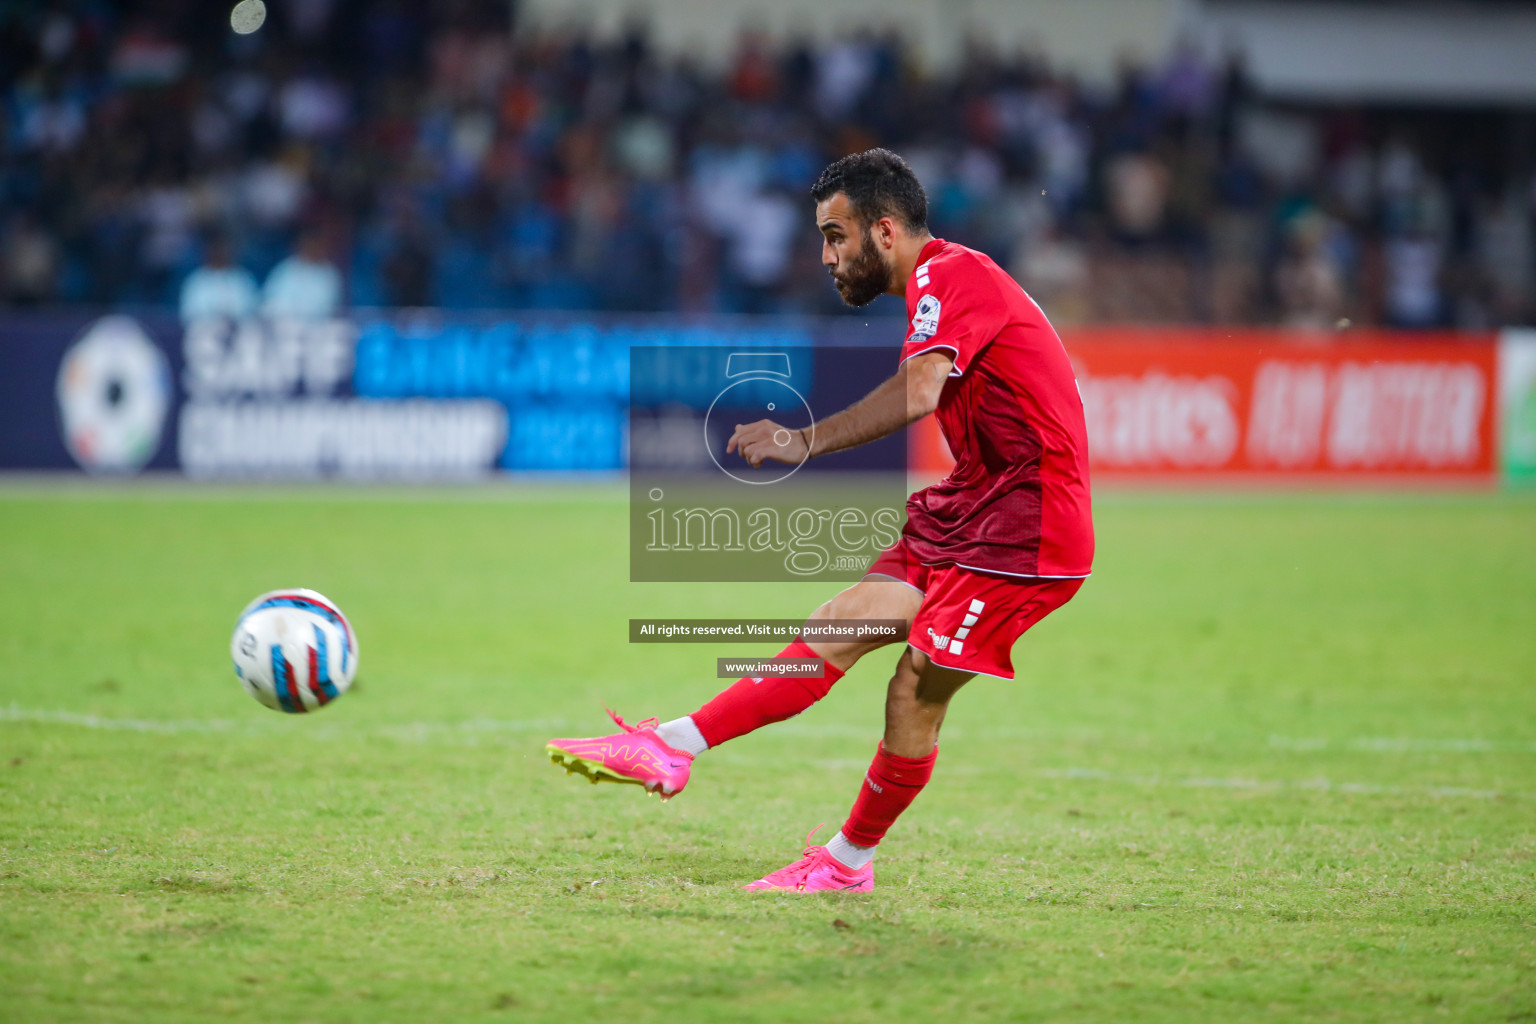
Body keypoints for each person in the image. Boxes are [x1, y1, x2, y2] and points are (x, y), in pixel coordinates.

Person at [546, 149, 1094, 892]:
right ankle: (672, 745)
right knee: (842, 619)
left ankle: (847, 864)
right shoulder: (937, 287)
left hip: (1029, 530)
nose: (828, 257)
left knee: (915, 687)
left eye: (837, 237)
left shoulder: (951, 274)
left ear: (887, 230)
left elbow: (921, 389)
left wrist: (806, 440)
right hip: (974, 503)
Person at [262, 228, 344, 319]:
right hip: (285, 324)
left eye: (318, 244)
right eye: (311, 244)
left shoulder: (330, 273)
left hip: (319, 326)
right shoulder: (285, 270)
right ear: (301, 245)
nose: (315, 248)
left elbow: (331, 307)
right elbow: (272, 304)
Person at [179, 233, 259, 322]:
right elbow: (189, 313)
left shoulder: (243, 278)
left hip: (238, 328)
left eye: (224, 249)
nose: (220, 253)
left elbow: (251, 310)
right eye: (216, 249)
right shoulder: (196, 280)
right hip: (205, 327)